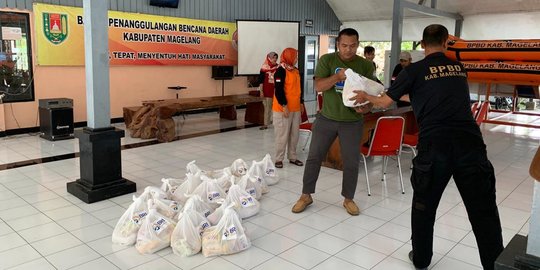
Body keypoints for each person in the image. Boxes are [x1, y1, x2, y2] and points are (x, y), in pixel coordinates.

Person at [351, 24, 504, 270]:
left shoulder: (413, 71)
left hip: (436, 146)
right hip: (470, 144)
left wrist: (366, 97)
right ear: (445, 43)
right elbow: (436, 94)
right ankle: (496, 265)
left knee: (424, 206)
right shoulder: (458, 68)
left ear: (422, 44)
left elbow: (383, 102)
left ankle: (421, 259)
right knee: (483, 211)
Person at [291, 28, 375, 216]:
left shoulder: (365, 66)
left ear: (358, 45)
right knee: (314, 157)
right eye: (344, 45)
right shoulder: (327, 60)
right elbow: (319, 86)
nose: (348, 49)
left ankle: (348, 199)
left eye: (353, 46)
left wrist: (366, 108)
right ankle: (306, 195)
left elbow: (371, 95)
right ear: (338, 45)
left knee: (352, 162)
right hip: (326, 119)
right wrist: (338, 76)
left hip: (352, 121)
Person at [272, 47, 304, 169]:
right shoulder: (280, 71)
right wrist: (284, 105)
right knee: (282, 135)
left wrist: (301, 103)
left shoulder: (295, 71)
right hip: (283, 109)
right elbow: (279, 90)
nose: (296, 59)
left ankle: (293, 157)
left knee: (295, 135)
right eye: (295, 57)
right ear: (289, 57)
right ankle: (279, 159)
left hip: (295, 108)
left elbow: (299, 89)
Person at [258, 52, 279, 130]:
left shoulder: (278, 67)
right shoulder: (264, 68)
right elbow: (261, 81)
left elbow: (279, 78)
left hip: (276, 90)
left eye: (276, 58)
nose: (275, 59)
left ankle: (276, 123)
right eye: (273, 58)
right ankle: (265, 124)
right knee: (267, 108)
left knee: (277, 108)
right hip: (267, 90)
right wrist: (261, 91)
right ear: (269, 58)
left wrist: (279, 86)